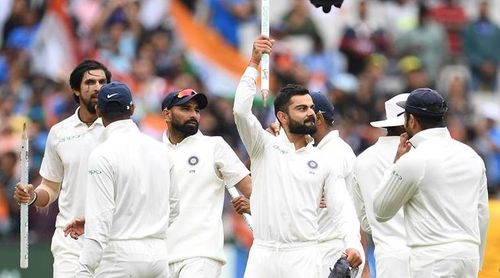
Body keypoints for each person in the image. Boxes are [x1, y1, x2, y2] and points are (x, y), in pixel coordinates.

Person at [233, 36, 352, 278]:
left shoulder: (323, 159)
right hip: (262, 255)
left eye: (311, 108)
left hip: (303, 255)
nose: (310, 114)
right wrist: (254, 62)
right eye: (302, 108)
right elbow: (240, 111)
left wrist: (354, 244)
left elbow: (343, 209)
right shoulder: (263, 146)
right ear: (282, 117)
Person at [373, 88, 489, 277]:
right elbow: (481, 214)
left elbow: (380, 211)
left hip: (432, 260)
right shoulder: (472, 155)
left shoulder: (413, 160)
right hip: (469, 257)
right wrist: (477, 261)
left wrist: (396, 163)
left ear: (411, 120)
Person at [13, 60, 111, 277]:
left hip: (112, 240)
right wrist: (31, 195)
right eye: (90, 82)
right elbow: (50, 188)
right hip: (70, 241)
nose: (97, 87)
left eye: (102, 82)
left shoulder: (119, 130)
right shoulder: (59, 132)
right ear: (76, 89)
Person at [74, 81, 179, 277]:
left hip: (119, 258)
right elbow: (174, 207)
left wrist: (84, 268)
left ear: (98, 110)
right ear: (132, 108)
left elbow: (101, 219)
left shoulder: (102, 155)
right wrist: (147, 231)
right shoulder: (161, 150)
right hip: (158, 258)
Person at [160, 89, 252, 278]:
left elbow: (251, 189)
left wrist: (255, 205)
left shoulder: (214, 146)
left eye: (196, 110)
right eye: (186, 109)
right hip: (161, 257)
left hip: (201, 255)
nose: (193, 114)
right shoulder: (154, 153)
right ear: (167, 114)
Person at [351, 93, 411, 277]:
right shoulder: (422, 155)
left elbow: (365, 222)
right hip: (425, 255)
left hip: (388, 257)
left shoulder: (362, 161)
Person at [308, 92, 364, 277]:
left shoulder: (333, 153)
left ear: (319, 118)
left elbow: (340, 206)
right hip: (329, 247)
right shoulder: (326, 150)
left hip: (333, 250)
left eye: (305, 112)